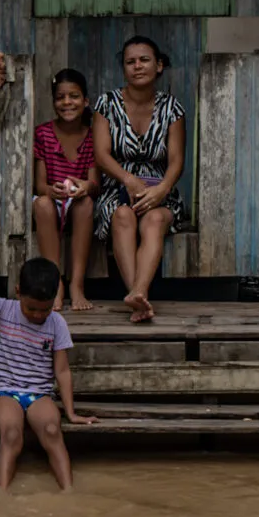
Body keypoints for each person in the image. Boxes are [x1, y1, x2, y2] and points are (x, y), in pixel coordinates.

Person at [0, 245, 96, 489]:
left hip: (40, 394)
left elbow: (62, 371)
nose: (37, 315)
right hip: (6, 393)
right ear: (18, 293)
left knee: (51, 430)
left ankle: (69, 493)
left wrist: (71, 412)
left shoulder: (57, 323)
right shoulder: (4, 309)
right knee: (11, 435)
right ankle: (1, 493)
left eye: (44, 309)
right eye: (31, 308)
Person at [92, 35, 186, 324]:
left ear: (158, 66)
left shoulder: (172, 108)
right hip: (117, 188)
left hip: (160, 189)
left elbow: (176, 160)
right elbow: (101, 154)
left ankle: (137, 293)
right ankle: (138, 298)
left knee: (154, 220)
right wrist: (128, 180)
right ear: (124, 69)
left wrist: (162, 190)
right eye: (130, 62)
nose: (137, 66)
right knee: (122, 215)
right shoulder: (106, 103)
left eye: (144, 60)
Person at [32, 68, 100, 311]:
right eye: (60, 97)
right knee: (40, 202)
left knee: (86, 204)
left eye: (74, 96)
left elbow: (94, 184)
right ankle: (56, 283)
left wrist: (84, 187)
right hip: (51, 202)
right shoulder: (43, 134)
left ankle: (77, 285)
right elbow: (39, 185)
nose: (67, 102)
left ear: (86, 101)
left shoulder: (93, 137)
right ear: (53, 102)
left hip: (78, 205)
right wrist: (52, 191)